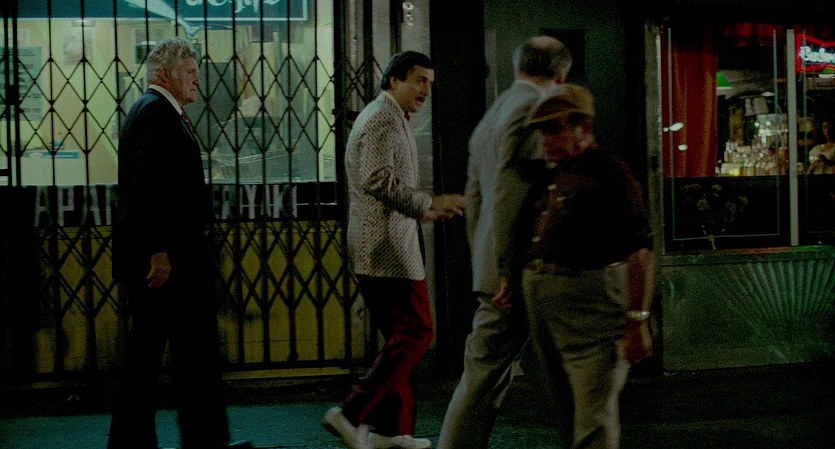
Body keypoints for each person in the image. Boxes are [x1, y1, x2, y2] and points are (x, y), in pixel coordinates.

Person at [109, 37, 250, 449]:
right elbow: (144, 188)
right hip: (167, 263)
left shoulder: (154, 111)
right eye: (190, 72)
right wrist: (158, 251)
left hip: (171, 258)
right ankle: (192, 440)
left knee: (172, 354)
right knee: (174, 354)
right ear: (164, 73)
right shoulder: (155, 113)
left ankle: (177, 440)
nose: (198, 81)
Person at [323, 51, 466, 449]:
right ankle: (351, 412)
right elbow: (376, 179)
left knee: (399, 337)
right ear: (393, 80)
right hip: (385, 249)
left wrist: (424, 212)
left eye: (430, 84)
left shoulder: (388, 115)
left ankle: (391, 431)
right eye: (419, 81)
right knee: (418, 332)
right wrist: (428, 202)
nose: (426, 91)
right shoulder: (382, 118)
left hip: (388, 241)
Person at [437, 36, 572, 449]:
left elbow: (476, 197)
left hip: (496, 267)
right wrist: (505, 270)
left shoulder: (493, 114)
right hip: (519, 272)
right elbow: (511, 196)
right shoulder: (533, 110)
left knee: (494, 375)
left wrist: (484, 262)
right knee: (550, 375)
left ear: (517, 66)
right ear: (561, 73)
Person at [506, 84, 655, 449]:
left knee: (593, 411)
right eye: (543, 132)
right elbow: (525, 229)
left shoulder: (611, 174)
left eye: (555, 130)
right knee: (563, 406)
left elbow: (640, 249)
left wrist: (637, 319)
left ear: (584, 128)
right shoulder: (552, 175)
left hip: (592, 304)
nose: (546, 141)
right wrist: (511, 277)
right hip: (544, 300)